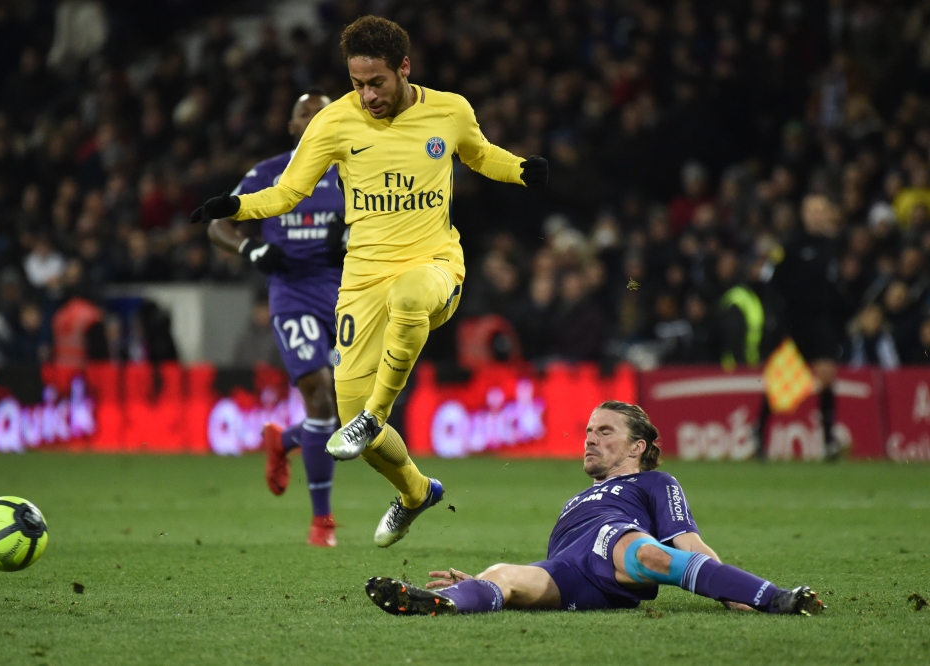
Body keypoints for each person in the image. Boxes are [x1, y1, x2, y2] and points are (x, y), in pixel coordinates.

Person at [191, 16, 548, 547]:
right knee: (348, 416)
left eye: (376, 82)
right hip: (361, 282)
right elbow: (289, 192)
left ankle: (374, 416)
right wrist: (237, 206)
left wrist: (520, 169)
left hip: (434, 265)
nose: (367, 95)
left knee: (404, 309)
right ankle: (415, 491)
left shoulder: (449, 110)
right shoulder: (335, 121)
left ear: (404, 68)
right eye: (357, 83)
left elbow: (478, 154)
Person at [365, 401, 824, 617]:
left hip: (617, 545)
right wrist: (481, 585)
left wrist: (729, 592)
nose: (590, 439)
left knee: (648, 553)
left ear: (637, 447)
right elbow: (560, 558)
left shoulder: (654, 482)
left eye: (605, 432)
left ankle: (774, 597)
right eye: (588, 431)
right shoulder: (576, 498)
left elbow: (689, 543)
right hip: (570, 571)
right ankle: (444, 603)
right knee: (503, 574)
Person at [203, 88, 343, 547]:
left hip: (349, 294)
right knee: (318, 395)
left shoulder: (355, 170)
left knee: (351, 414)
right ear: (291, 126)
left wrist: (354, 237)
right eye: (305, 113)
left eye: (322, 113)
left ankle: (283, 442)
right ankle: (322, 523)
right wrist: (251, 248)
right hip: (293, 294)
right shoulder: (267, 173)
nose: (313, 119)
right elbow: (218, 223)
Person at [760, 194, 846, 460]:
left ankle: (829, 441)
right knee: (780, 383)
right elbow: (771, 282)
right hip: (794, 322)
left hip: (821, 321)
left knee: (827, 375)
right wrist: (778, 317)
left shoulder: (834, 247)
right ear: (804, 215)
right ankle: (758, 434)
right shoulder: (791, 246)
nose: (818, 215)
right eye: (813, 211)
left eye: (822, 210)